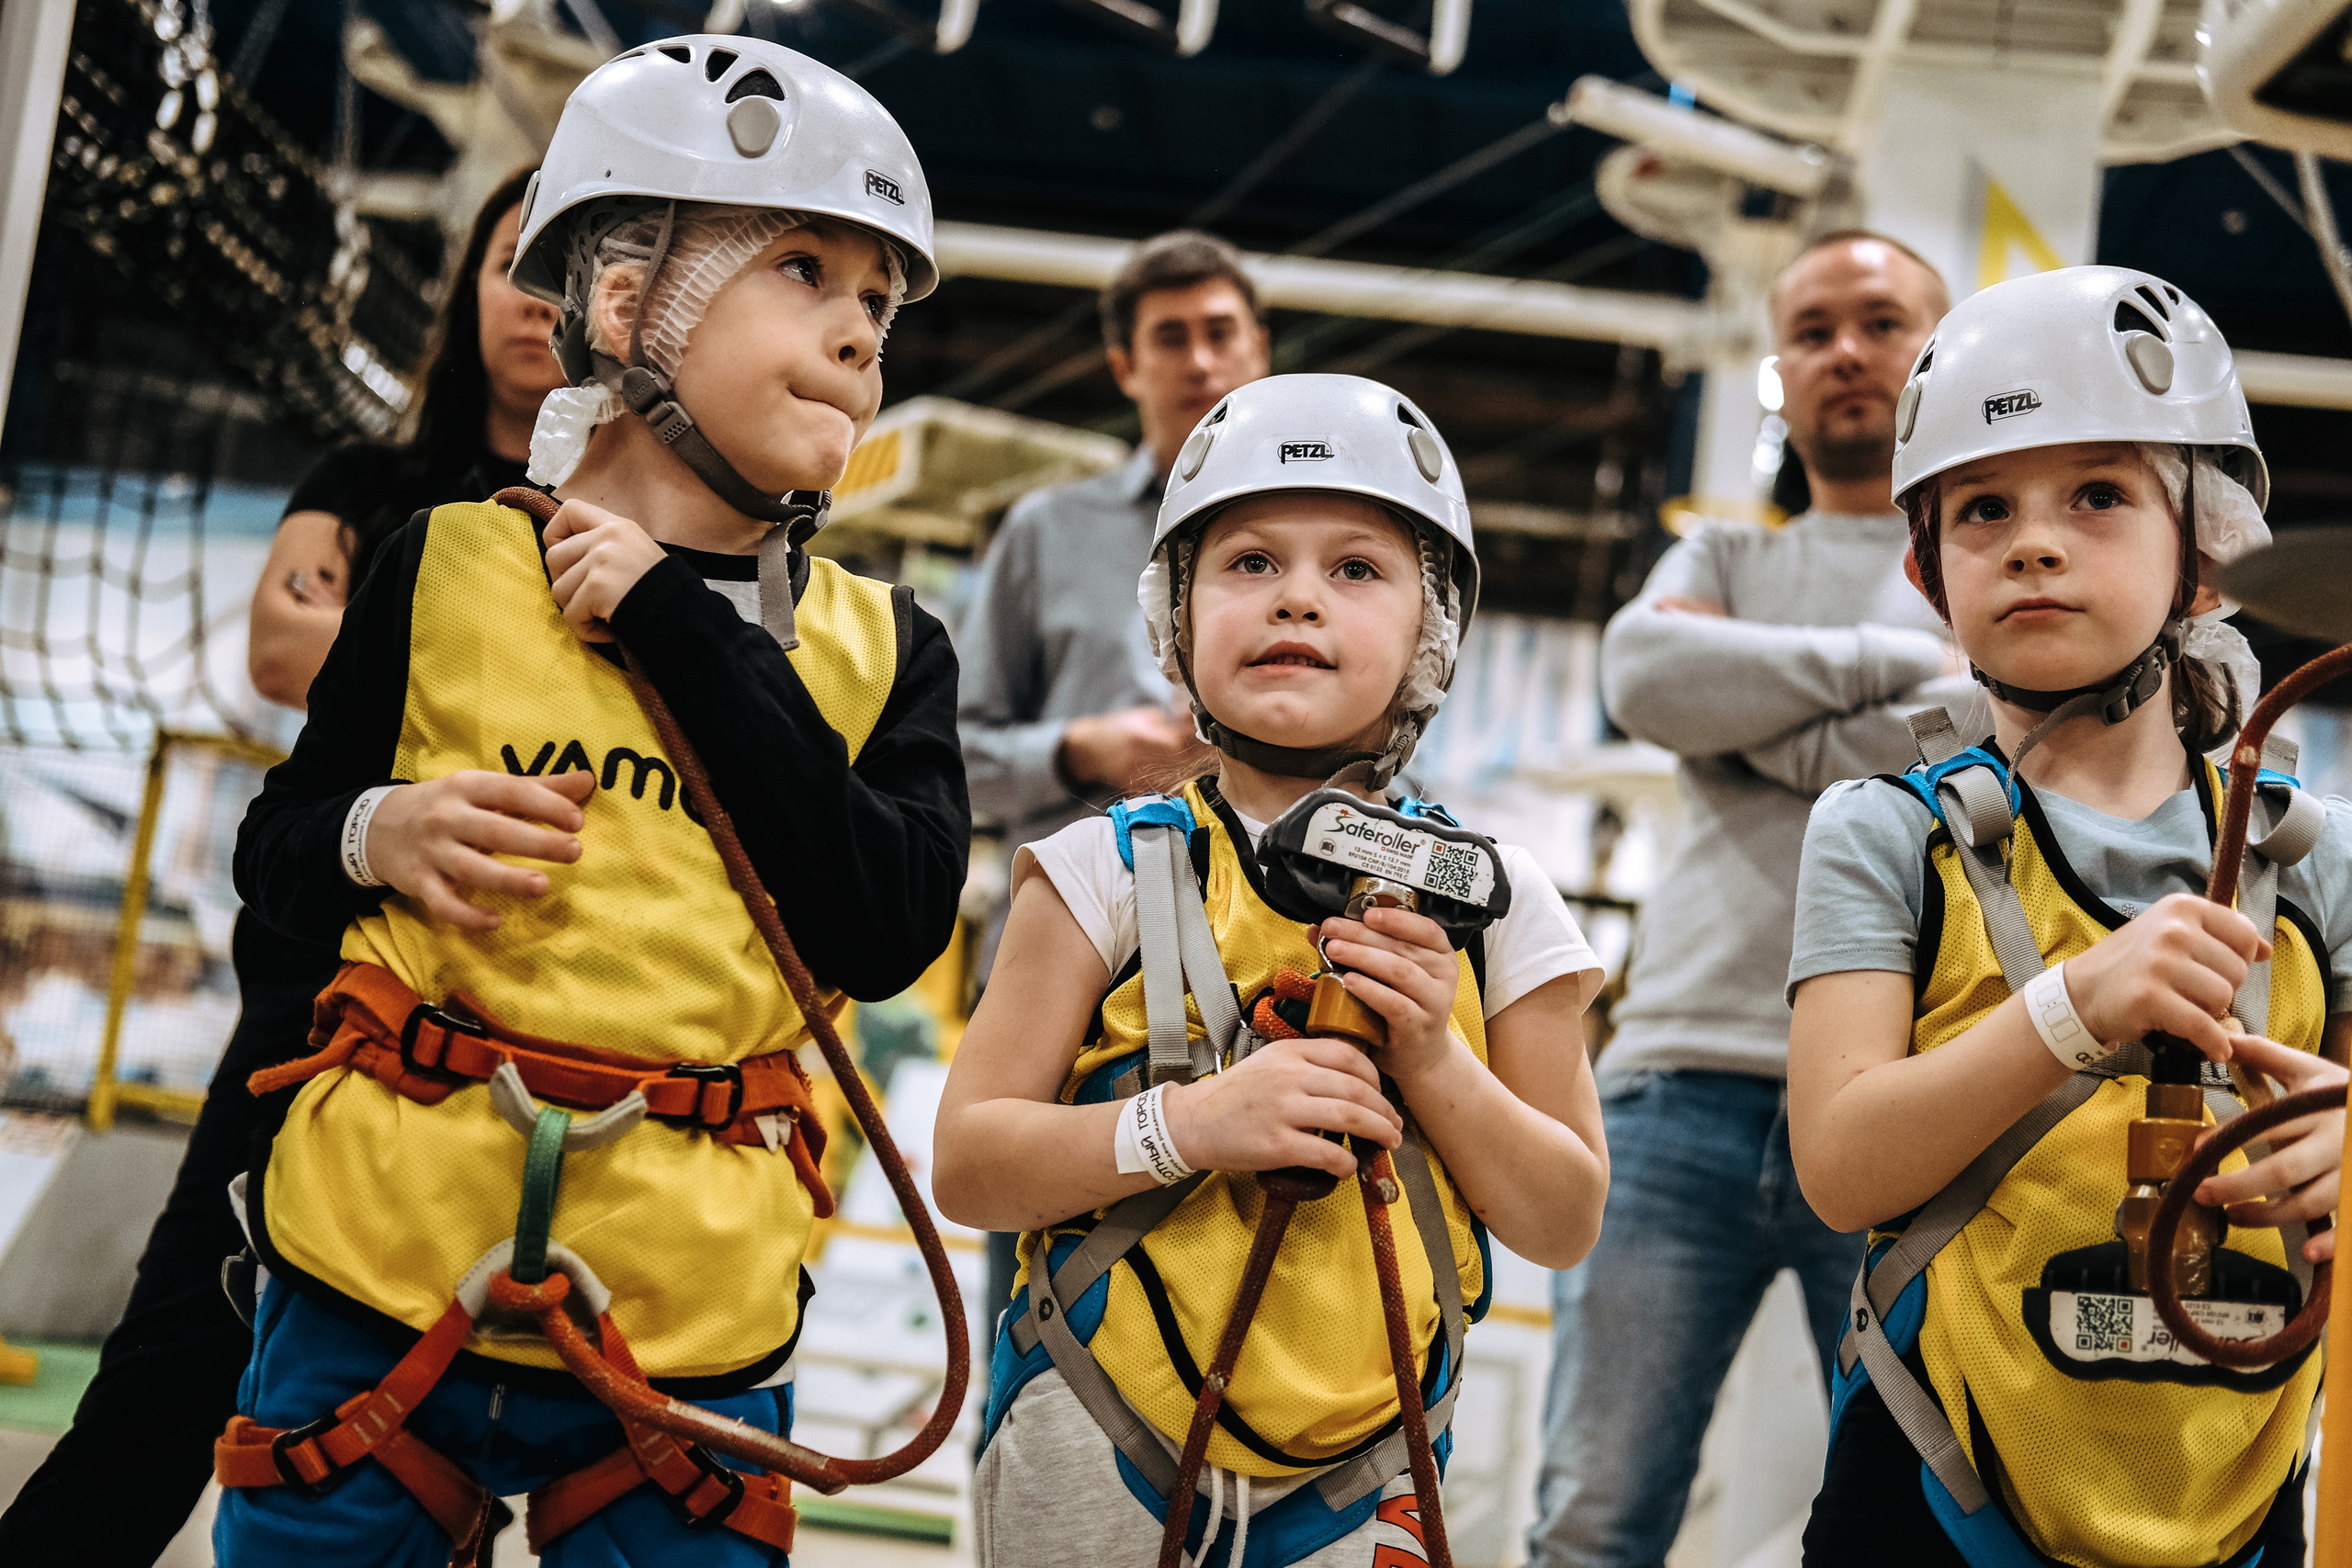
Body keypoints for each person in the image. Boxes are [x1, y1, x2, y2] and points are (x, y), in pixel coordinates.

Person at [212, 37, 966, 1564]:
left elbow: (882, 926)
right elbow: (277, 850)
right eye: (804, 271)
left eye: (877, 304)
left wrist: (682, 625)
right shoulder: (442, 565)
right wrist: (384, 831)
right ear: (627, 303)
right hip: (377, 1279)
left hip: (686, 1329)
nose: (854, 335)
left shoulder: (886, 653)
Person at [936, 373, 1610, 1566]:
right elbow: (972, 1162)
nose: (1298, 593)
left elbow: (1561, 1216)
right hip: (1101, 1433)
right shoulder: (1099, 870)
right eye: (1249, 561)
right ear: (1178, 617)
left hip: (1369, 1467)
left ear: (1430, 628)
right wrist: (1189, 1122)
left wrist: (1434, 1054)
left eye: (1357, 567)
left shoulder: (1498, 900)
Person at [0, 167, 562, 1567]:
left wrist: (378, 652)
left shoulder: (625, 524)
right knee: (176, 1354)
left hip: (527, 1008)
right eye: (512, 259)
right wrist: (531, 680)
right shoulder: (366, 483)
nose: (535, 298)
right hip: (317, 985)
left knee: (453, 1416)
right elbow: (275, 651)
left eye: (570, 266)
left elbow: (331, 648)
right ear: (464, 289)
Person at [1790, 265, 2352, 1566]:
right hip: (1935, 1507)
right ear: (1932, 571)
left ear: (2204, 548)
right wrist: (2075, 1002)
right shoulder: (1892, 833)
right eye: (1984, 507)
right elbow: (1842, 1163)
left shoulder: (2312, 858)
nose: (2035, 540)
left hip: (2241, 1511)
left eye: (2098, 494)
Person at [1526, 230, 1962, 1568]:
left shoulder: (1987, 559)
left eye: (1880, 321)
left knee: (1920, 1518)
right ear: (1780, 362)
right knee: (1596, 1516)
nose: (1845, 350)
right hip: (1673, 1091)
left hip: (1910, 1104)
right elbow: (1649, 673)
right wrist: (1890, 667)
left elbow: (1982, 721)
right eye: (1814, 326)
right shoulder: (1722, 547)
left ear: (1939, 350)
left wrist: (1754, 724)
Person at [956, 227, 1271, 1350]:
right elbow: (950, 754)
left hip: (1263, 983)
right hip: (1069, 972)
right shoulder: (1051, 533)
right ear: (1124, 366)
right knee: (1038, 1315)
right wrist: (1082, 753)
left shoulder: (1314, 538)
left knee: (1255, 1321)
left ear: (1259, 349)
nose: (1199, 359)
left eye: (1219, 332)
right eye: (1169, 338)